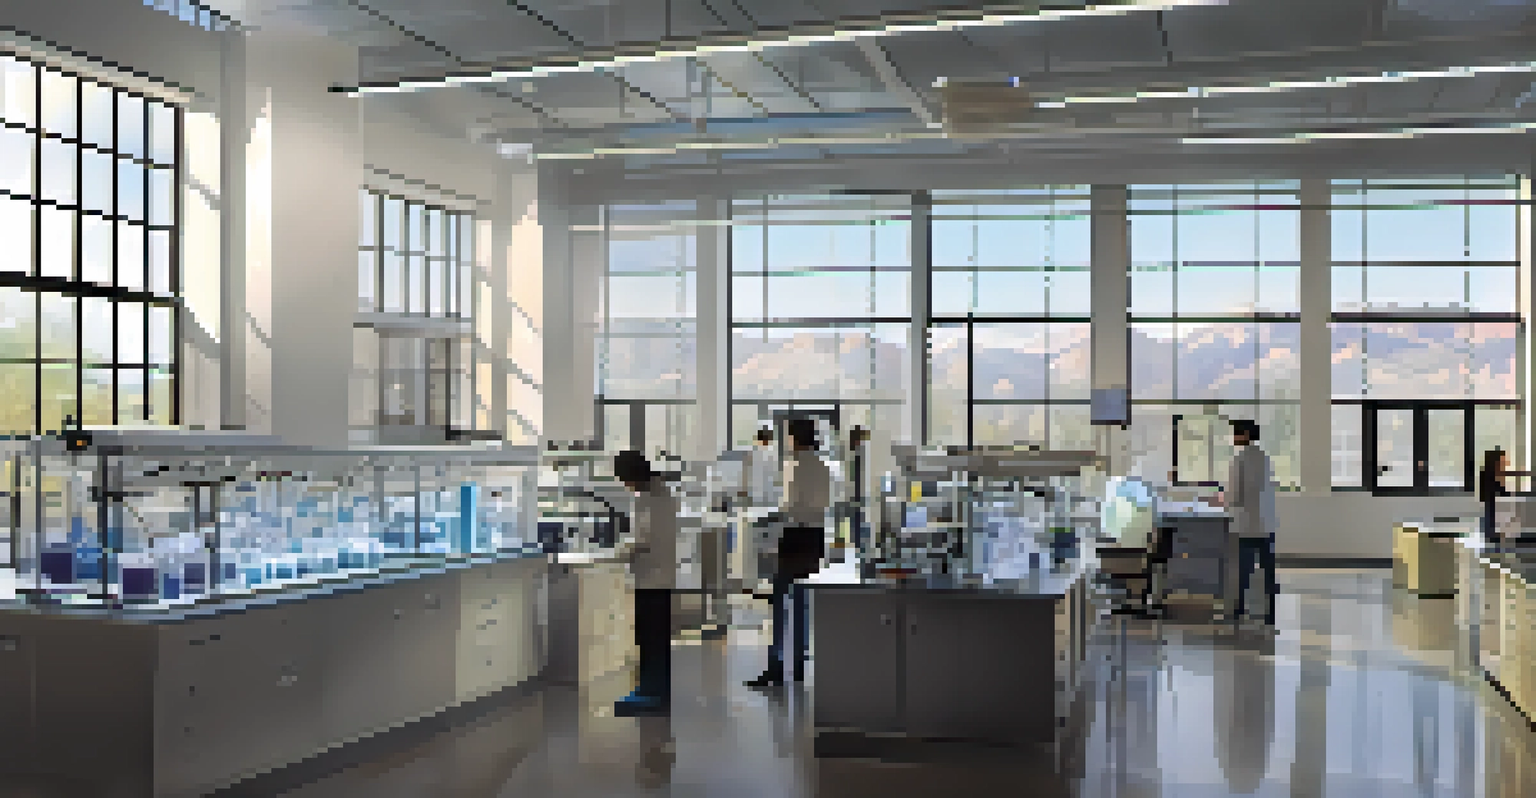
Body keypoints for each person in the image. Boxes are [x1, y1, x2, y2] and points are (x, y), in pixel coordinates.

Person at [747, 418, 830, 688]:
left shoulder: (795, 467)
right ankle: (798, 667)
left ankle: (776, 667)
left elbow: (790, 506)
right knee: (803, 602)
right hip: (815, 537)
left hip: (796, 537)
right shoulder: (822, 466)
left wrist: (773, 519)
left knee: (781, 602)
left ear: (794, 438)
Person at [612, 450, 680, 716]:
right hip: (660, 576)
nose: (625, 485)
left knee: (650, 637)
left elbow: (643, 540)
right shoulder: (663, 495)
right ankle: (655, 689)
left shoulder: (649, 499)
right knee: (657, 638)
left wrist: (619, 551)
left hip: (651, 577)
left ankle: (652, 692)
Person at [1221, 419, 1278, 626]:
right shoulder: (1264, 457)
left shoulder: (1239, 459)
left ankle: (1239, 609)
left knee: (1243, 569)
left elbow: (1235, 496)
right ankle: (1269, 611)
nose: (1234, 437)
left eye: (1236, 433)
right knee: (1267, 569)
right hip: (1267, 524)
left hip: (1245, 525)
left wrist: (1222, 499)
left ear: (1245, 434)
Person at [1480, 448, 1509, 546]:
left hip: (1494, 505)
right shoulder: (1490, 475)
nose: (1504, 464)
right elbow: (1500, 492)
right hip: (1492, 505)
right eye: (1502, 461)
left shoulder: (1493, 474)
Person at [746, 427, 780, 506]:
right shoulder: (773, 454)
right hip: (768, 492)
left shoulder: (753, 454)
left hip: (756, 492)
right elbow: (775, 473)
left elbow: (748, 474)